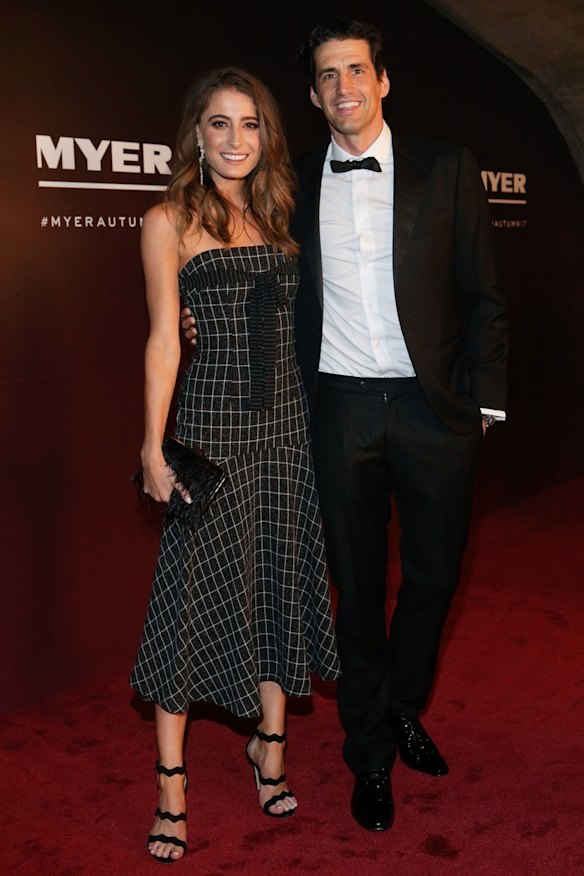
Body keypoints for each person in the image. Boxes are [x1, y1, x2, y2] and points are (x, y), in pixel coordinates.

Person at [182, 19, 508, 833]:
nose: (344, 88)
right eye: (327, 76)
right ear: (315, 92)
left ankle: (401, 703)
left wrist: (483, 405)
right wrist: (198, 314)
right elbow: (236, 261)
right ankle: (369, 751)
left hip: (436, 412)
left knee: (434, 578)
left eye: (356, 71)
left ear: (383, 80)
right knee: (358, 592)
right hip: (339, 412)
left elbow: (486, 298)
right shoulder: (284, 186)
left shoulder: (449, 168)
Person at [130, 67, 339, 863]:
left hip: (288, 431)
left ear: (268, 136)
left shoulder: (283, 215)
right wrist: (153, 446)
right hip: (211, 437)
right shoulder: (167, 221)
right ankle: (172, 789)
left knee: (280, 582)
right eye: (218, 124)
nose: (235, 139)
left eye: (249, 124)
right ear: (196, 135)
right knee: (188, 605)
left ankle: (270, 748)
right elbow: (159, 341)